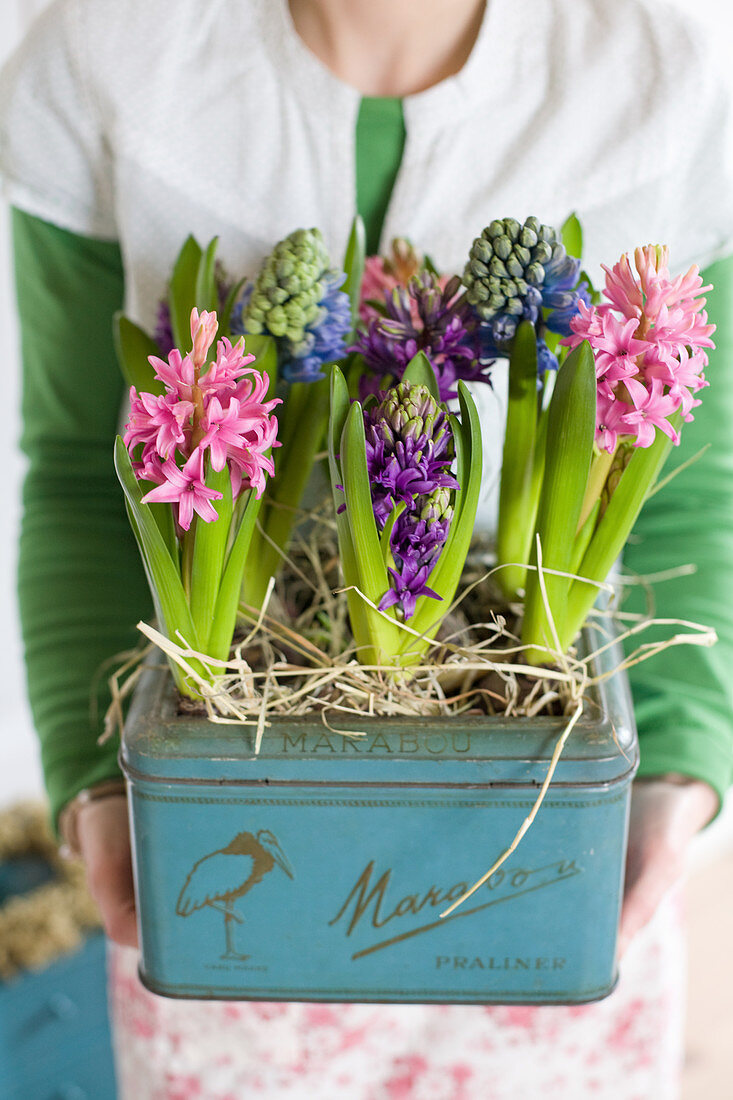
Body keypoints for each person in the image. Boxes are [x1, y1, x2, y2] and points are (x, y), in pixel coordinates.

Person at [1, 0, 731, 1095]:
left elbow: (685, 482)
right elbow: (76, 470)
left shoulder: (679, 77)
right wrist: (94, 778)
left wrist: (681, 764)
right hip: (227, 893)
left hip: (535, 870)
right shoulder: (100, 54)